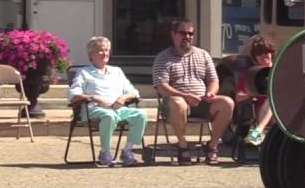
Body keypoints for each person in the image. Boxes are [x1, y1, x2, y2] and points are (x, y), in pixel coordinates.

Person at [152, 19, 234, 165]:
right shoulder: (163, 58)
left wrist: (211, 93)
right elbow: (161, 87)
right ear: (173, 35)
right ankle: (182, 146)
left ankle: (211, 146)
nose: (188, 37)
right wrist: (185, 96)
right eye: (183, 33)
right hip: (175, 105)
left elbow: (213, 81)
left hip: (202, 102)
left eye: (191, 33)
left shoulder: (203, 55)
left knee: (227, 102)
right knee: (178, 103)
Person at [67, 36, 147, 167]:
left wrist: (123, 98)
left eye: (107, 50)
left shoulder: (116, 71)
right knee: (109, 116)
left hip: (118, 108)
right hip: (93, 109)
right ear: (91, 54)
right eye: (100, 50)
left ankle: (127, 151)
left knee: (141, 115)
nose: (105, 53)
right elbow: (73, 95)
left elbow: (134, 92)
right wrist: (94, 97)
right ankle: (105, 153)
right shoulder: (84, 72)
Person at [236, 36, 275, 147]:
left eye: (267, 52)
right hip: (258, 110)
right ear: (255, 57)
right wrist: (250, 94)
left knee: (274, 98)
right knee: (271, 99)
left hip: (282, 111)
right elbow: (238, 97)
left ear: (272, 53)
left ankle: (258, 132)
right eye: (260, 53)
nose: (264, 56)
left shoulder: (280, 70)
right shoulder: (250, 74)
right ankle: (258, 131)